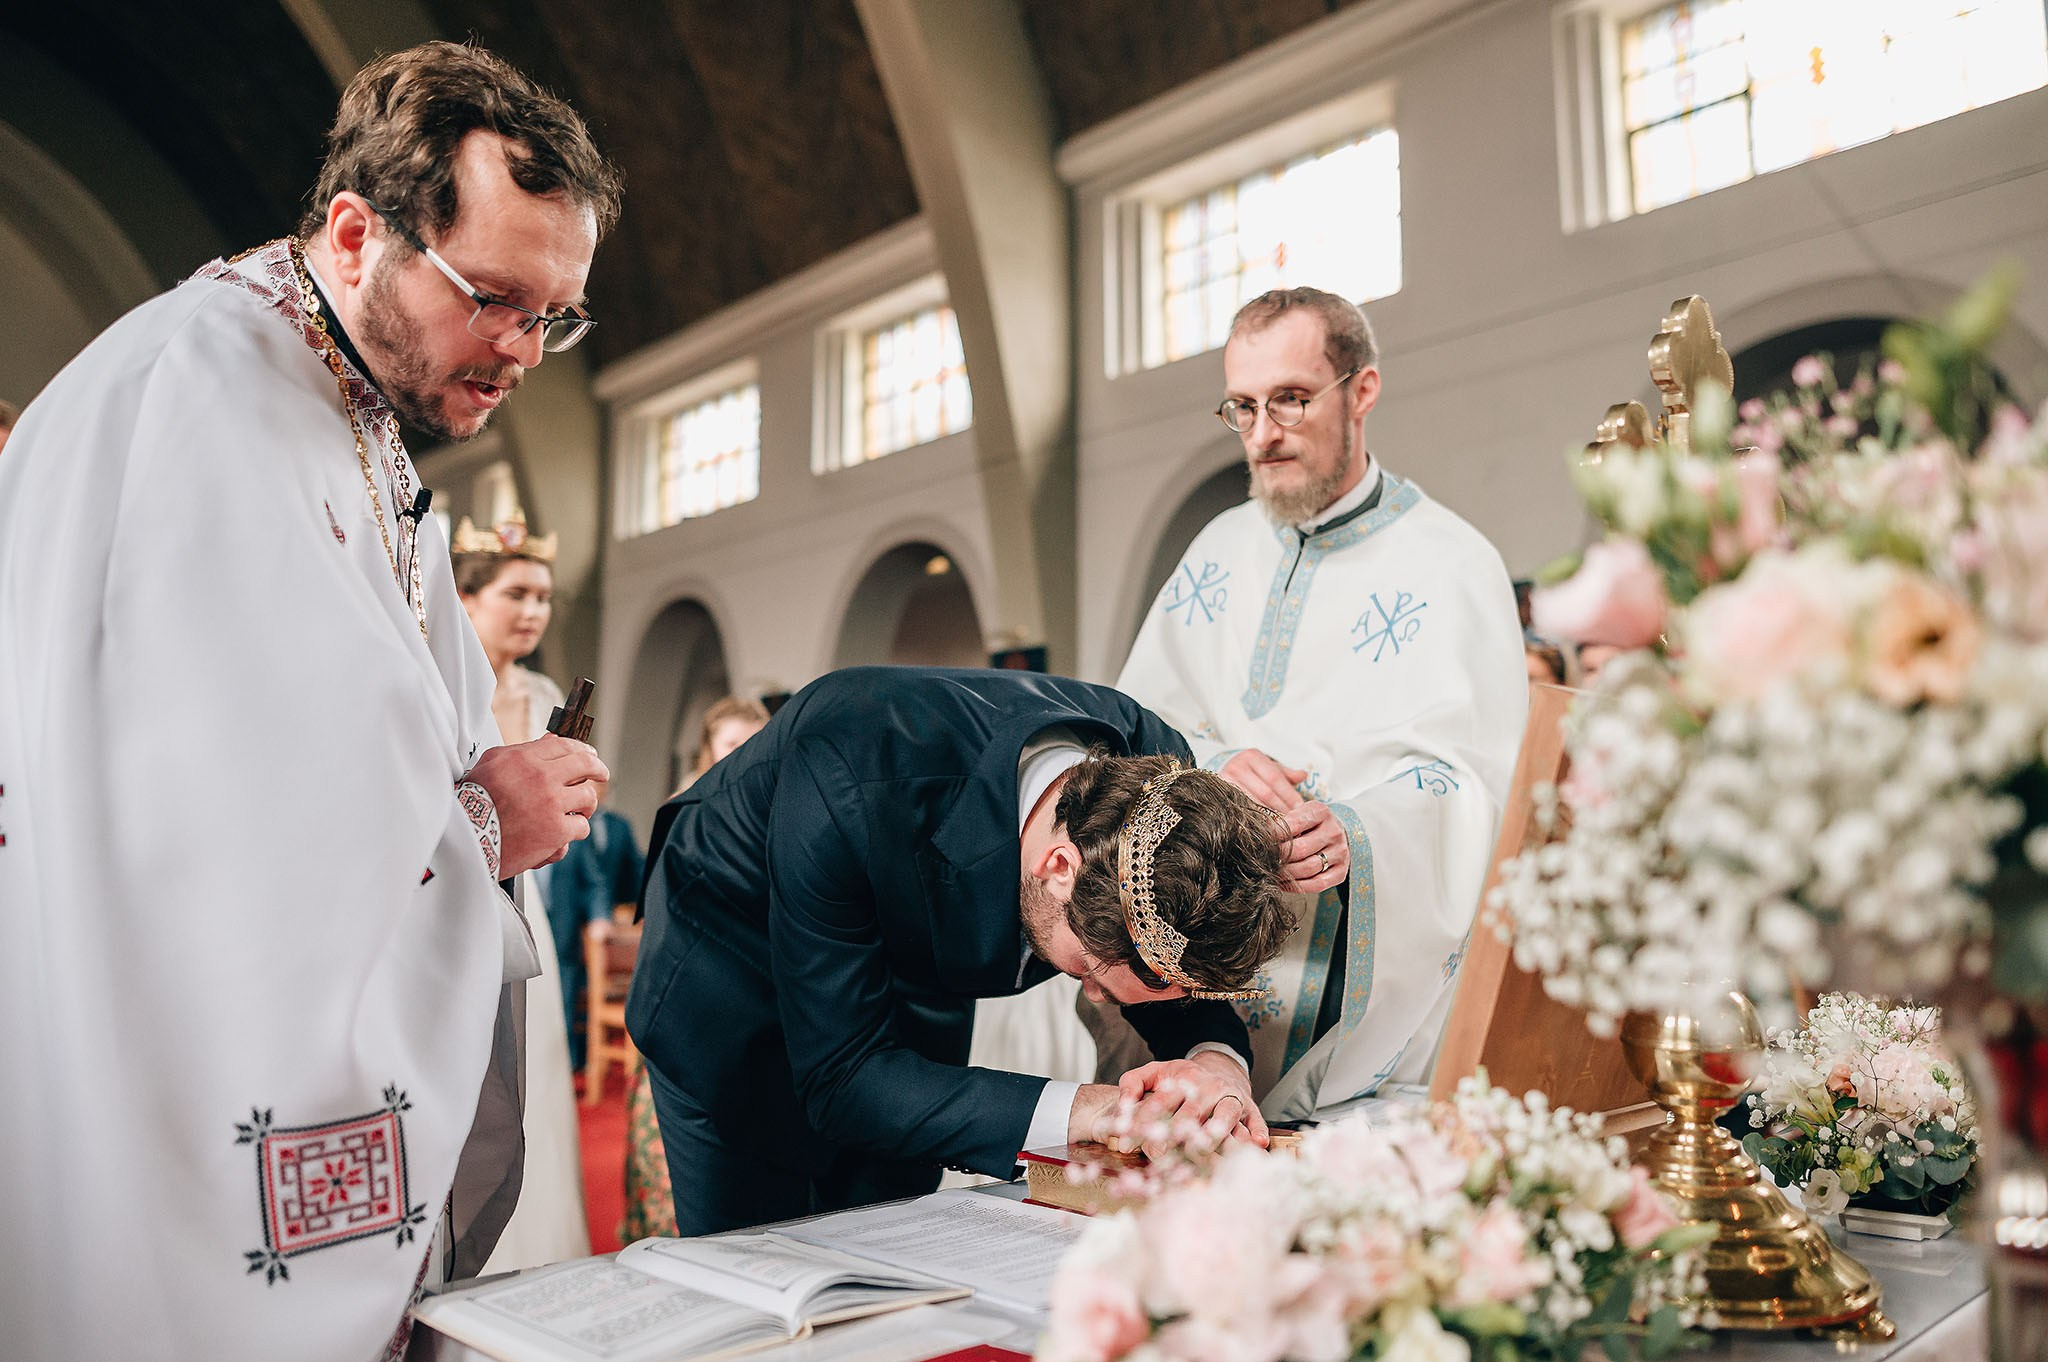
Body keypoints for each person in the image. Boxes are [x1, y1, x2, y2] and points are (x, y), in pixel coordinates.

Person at [0, 42, 620, 1360]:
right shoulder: (198, 403)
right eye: (495, 297)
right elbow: (185, 822)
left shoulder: (344, 401)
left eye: (555, 316)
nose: (523, 350)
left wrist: (482, 797)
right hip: (164, 1094)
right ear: (356, 232)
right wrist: (485, 823)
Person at [628, 666, 1298, 1236]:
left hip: (917, 982)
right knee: (755, 1271)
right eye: (1090, 973)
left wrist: (1218, 1067)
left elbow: (1157, 959)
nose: (1095, 995)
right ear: (1059, 866)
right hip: (729, 981)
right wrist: (1098, 1109)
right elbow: (841, 1081)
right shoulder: (849, 765)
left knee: (895, 1245)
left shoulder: (1159, 784)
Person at [1118, 286, 1527, 1123]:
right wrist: (1212, 765)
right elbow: (1128, 730)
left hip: (1356, 983)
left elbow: (1484, 789)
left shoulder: (1454, 563)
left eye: (1291, 401)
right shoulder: (1217, 550)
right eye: (1242, 407)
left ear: (1362, 391)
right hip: (1199, 972)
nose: (1262, 435)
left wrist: (1361, 833)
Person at [453, 512, 591, 1270]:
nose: (535, 611)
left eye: (543, 596)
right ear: (468, 599)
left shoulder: (542, 692)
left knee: (531, 1057)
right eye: (517, 594)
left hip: (526, 896)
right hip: (452, 881)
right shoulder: (437, 673)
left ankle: (536, 1251)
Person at [619, 695, 766, 1242]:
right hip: (686, 993)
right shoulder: (686, 810)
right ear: (708, 752)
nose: (742, 756)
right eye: (731, 745)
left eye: (753, 744)